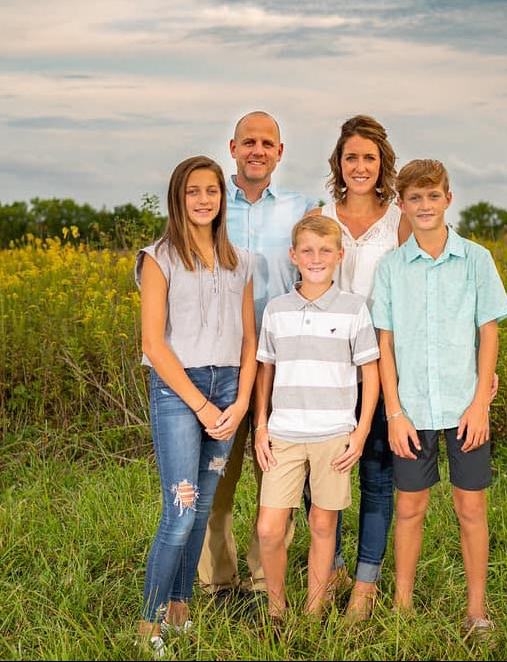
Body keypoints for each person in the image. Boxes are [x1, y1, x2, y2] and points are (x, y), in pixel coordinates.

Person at [371, 159, 507, 639]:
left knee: (470, 508)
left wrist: (480, 404)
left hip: (463, 407)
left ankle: (476, 612)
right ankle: (402, 607)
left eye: (433, 196)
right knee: (410, 508)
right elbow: (384, 344)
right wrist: (393, 412)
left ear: (448, 199)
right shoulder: (391, 267)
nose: (425, 205)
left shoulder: (476, 259)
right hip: (411, 410)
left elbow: (488, 333)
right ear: (402, 206)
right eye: (415, 198)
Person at [135, 155, 257, 654]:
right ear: (177, 199)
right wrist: (202, 407)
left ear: (221, 198)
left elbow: (251, 339)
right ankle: (149, 626)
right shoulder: (158, 257)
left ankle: (182, 607)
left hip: (229, 388)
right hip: (179, 391)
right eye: (193, 192)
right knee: (181, 511)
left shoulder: (242, 260)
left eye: (211, 190)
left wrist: (243, 397)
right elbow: (152, 344)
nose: (204, 200)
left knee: (204, 506)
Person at [198, 111, 317, 603]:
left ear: (280, 152)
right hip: (220, 360)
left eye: (267, 143)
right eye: (249, 141)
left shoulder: (301, 207)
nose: (257, 150)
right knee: (218, 475)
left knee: (279, 476)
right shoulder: (209, 203)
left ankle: (265, 578)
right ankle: (218, 581)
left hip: (283, 361)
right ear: (232, 147)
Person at [305, 114, 410, 619]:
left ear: (382, 163)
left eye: (369, 157)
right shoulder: (320, 214)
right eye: (351, 157)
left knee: (376, 475)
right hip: (326, 370)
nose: (360, 166)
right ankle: (335, 568)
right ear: (338, 164)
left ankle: (366, 585)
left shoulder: (400, 220)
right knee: (322, 475)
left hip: (383, 366)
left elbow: (420, 294)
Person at [253, 215, 380, 621]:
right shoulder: (277, 310)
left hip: (334, 434)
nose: (316, 258)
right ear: (294, 256)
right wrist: (260, 426)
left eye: (325, 250)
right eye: (307, 250)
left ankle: (314, 610)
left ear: (339, 256)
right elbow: (265, 370)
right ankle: (277, 609)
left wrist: (359, 433)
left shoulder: (353, 309)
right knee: (270, 528)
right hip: (284, 433)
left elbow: (371, 374)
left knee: (323, 523)